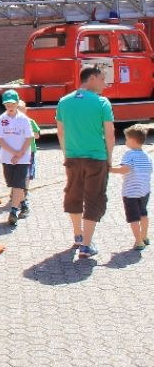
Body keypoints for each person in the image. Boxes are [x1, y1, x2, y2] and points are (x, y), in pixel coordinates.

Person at [56, 65, 114, 259]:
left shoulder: (64, 102)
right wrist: (109, 158)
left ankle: (78, 236)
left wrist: (67, 154)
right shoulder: (102, 103)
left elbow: (61, 132)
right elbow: (110, 134)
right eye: (102, 79)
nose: (105, 84)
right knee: (94, 199)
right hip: (96, 158)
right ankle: (86, 246)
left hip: (73, 158)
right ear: (92, 78)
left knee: (74, 196)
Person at [0, 90, 33, 227]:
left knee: (18, 184)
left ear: (17, 103)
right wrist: (13, 152)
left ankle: (13, 212)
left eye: (12, 103)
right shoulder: (1, 119)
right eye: (7, 104)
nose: (9, 106)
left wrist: (20, 153)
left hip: (22, 158)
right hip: (7, 158)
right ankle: (23, 204)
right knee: (11, 183)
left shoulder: (24, 119)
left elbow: (29, 137)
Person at [109, 124, 152, 251]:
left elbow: (125, 169)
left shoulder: (129, 154)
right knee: (143, 213)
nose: (126, 141)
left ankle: (138, 242)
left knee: (133, 217)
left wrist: (110, 169)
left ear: (133, 140)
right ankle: (144, 236)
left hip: (131, 192)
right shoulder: (147, 156)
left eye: (127, 139)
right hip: (145, 190)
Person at [17, 100, 41, 218]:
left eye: (21, 110)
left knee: (28, 173)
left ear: (25, 110)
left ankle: (25, 191)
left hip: (30, 151)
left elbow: (37, 135)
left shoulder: (31, 122)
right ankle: (18, 191)